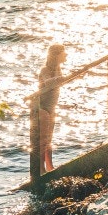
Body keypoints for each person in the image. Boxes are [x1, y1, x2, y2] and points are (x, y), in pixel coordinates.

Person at [35, 44, 67, 174]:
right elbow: (48, 82)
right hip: (42, 107)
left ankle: (49, 166)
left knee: (49, 140)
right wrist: (63, 78)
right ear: (56, 55)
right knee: (43, 140)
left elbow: (61, 81)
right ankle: (40, 168)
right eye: (63, 52)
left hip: (52, 107)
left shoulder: (58, 68)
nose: (66, 54)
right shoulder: (44, 69)